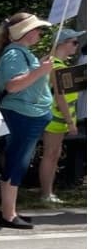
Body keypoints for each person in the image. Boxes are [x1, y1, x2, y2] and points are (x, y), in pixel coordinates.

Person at [0, 12, 55, 229]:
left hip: (29, 115)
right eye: (36, 29)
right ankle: (8, 214)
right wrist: (40, 71)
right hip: (21, 115)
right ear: (25, 32)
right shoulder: (14, 54)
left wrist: (40, 69)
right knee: (16, 161)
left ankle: (8, 210)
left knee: (18, 161)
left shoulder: (22, 53)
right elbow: (13, 85)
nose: (39, 32)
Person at [38, 28, 84, 205]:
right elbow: (60, 97)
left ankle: (48, 192)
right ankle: (46, 194)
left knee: (54, 154)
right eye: (74, 42)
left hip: (57, 118)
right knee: (51, 154)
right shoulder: (57, 66)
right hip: (56, 119)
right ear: (63, 43)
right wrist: (70, 122)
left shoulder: (53, 63)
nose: (76, 46)